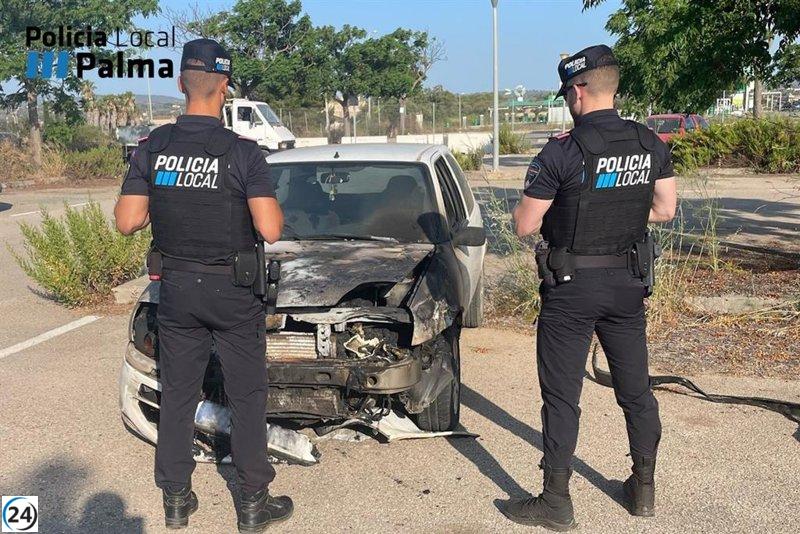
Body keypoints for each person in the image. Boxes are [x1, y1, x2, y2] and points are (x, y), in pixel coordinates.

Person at [114, 38, 292, 532]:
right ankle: (254, 503)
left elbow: (127, 222)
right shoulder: (244, 153)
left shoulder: (153, 148)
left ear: (180, 85)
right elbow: (271, 230)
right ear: (225, 88)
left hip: (176, 289)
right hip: (233, 292)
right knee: (247, 394)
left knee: (178, 393)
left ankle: (176, 500)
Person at [499, 45, 677, 531]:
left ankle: (555, 501)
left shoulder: (561, 151)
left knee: (562, 396)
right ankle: (643, 490)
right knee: (636, 392)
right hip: (626, 285)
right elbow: (664, 211)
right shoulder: (649, 142)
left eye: (567, 93)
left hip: (572, 289)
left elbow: (524, 225)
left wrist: (575, 207)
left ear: (578, 91)